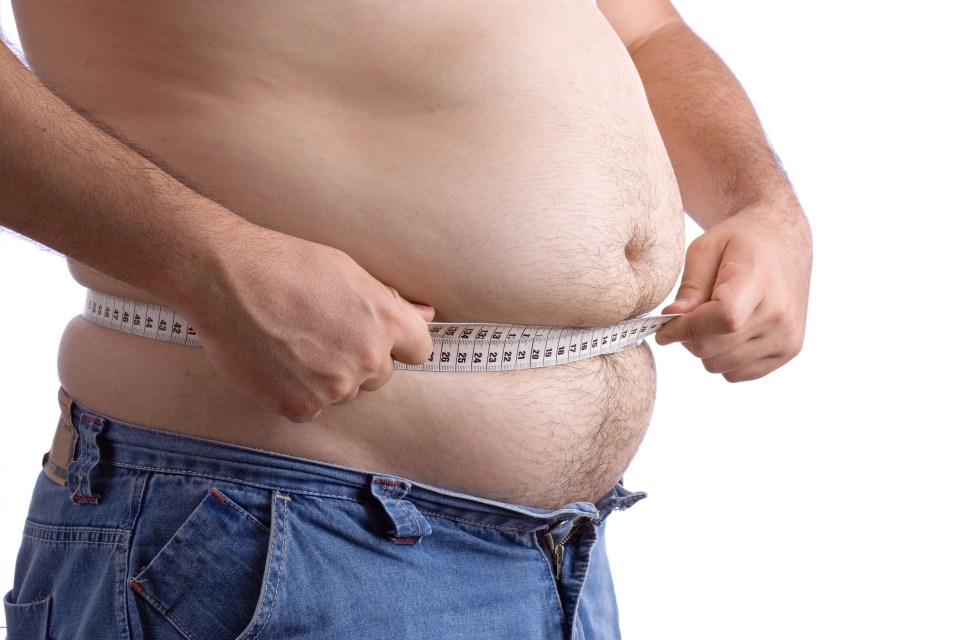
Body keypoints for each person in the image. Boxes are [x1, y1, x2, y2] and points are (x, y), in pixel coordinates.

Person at [0, 1, 811, 638]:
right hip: (270, 525)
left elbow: (640, 27)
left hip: (561, 555)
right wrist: (209, 263)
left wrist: (759, 203)